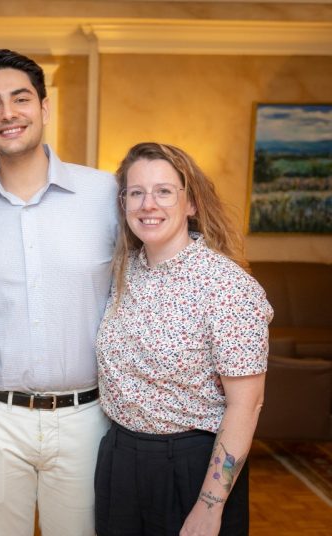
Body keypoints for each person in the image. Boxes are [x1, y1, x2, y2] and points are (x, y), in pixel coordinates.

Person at [0, 49, 118, 536]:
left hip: (87, 417)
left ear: (44, 107)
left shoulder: (106, 195)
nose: (7, 113)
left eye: (20, 99)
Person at [95, 142, 273, 536]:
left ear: (190, 203)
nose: (147, 204)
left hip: (192, 466)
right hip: (121, 459)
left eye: (163, 191)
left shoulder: (226, 286)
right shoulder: (124, 271)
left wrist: (210, 506)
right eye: (136, 193)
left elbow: (247, 403)